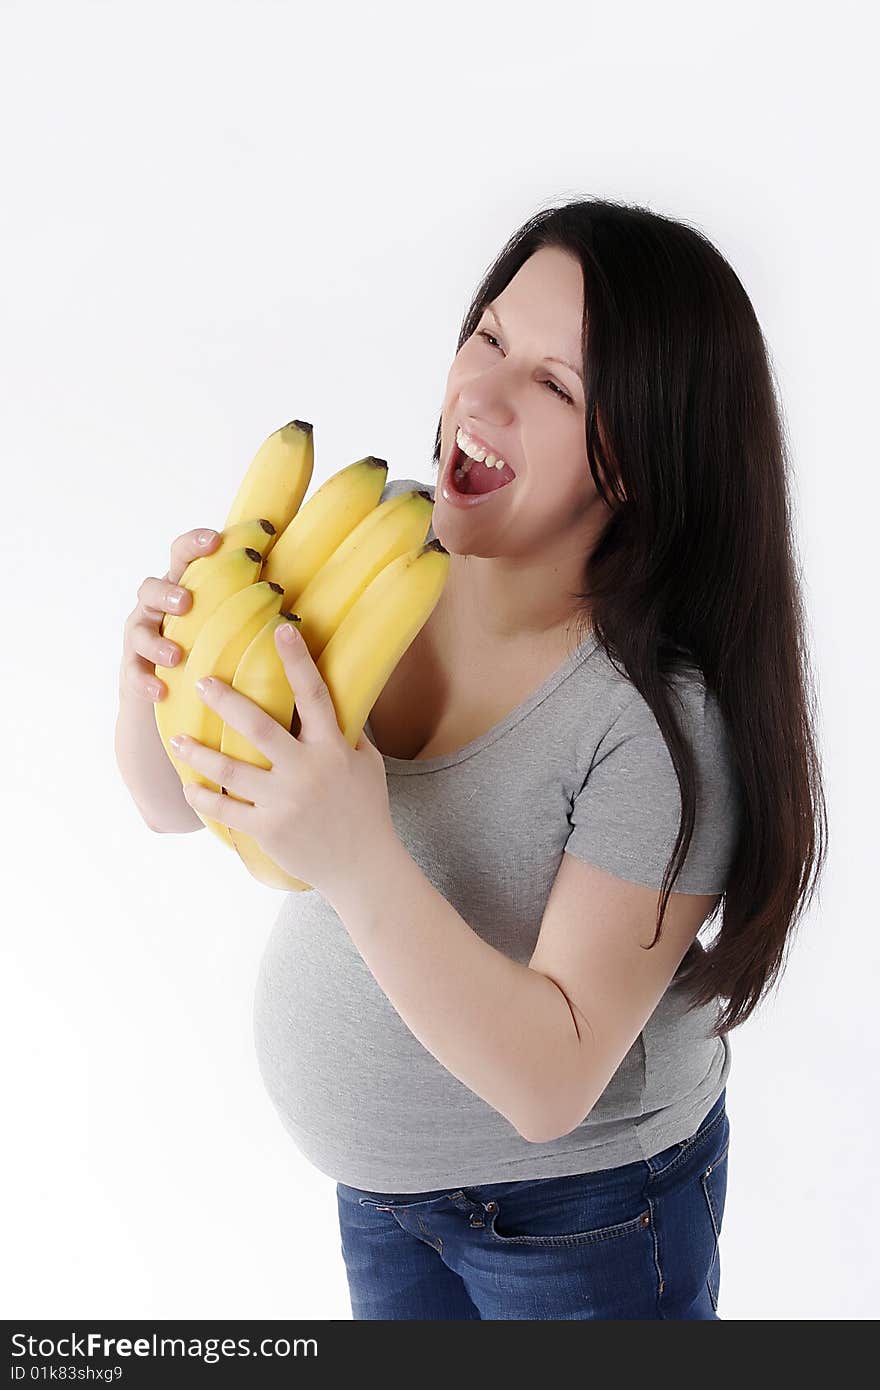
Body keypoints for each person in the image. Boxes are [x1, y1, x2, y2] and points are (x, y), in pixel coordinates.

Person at [116, 196, 828, 1320]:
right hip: (383, 1201)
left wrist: (356, 856)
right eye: (489, 336)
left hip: (582, 1215)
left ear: (642, 459)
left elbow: (550, 1082)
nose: (480, 394)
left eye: (555, 385)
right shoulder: (367, 558)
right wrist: (154, 673)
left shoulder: (651, 723)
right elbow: (173, 804)